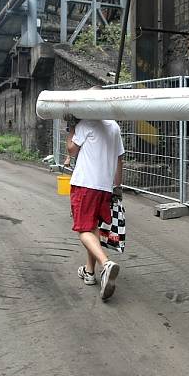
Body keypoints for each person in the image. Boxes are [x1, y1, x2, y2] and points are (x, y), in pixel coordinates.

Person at [65, 114, 124, 300]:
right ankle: (89, 272)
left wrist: (71, 129)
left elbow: (71, 150)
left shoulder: (86, 122)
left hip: (85, 185)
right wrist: (117, 186)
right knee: (93, 228)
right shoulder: (114, 126)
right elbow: (120, 158)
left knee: (83, 230)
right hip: (105, 187)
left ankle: (105, 264)